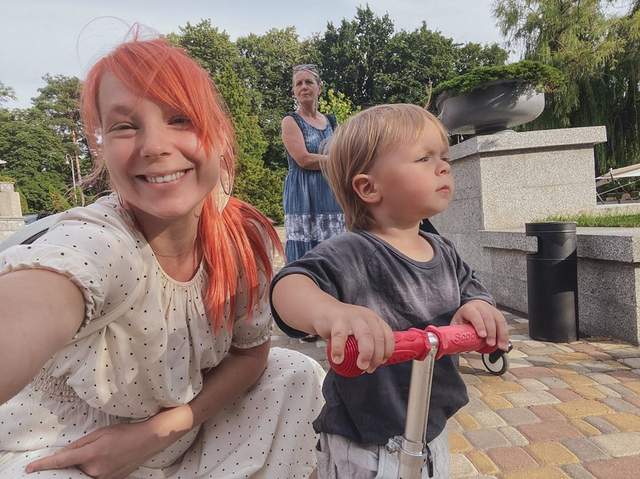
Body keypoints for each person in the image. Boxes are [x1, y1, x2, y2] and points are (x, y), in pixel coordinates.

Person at [0, 35, 325, 479]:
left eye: (179, 118)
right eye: (124, 126)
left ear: (220, 136)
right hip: (67, 448)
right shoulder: (102, 242)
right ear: (101, 149)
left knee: (295, 374)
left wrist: (156, 434)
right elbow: (42, 292)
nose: (154, 145)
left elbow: (251, 355)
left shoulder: (242, 238)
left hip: (179, 434)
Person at [270, 104, 510, 478]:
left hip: (431, 429)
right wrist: (332, 314)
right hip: (365, 443)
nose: (443, 167)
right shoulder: (351, 251)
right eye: (424, 158)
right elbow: (289, 287)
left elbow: (472, 290)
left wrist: (477, 306)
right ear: (369, 187)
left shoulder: (443, 250)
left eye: (444, 158)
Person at [281, 64, 345, 264]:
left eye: (308, 82)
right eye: (298, 84)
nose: (304, 87)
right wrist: (339, 160)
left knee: (334, 251)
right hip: (303, 195)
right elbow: (304, 160)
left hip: (331, 193)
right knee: (305, 257)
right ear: (294, 91)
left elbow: (344, 151)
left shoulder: (332, 122)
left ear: (319, 87)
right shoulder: (290, 121)